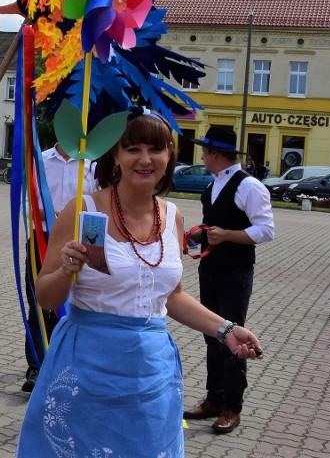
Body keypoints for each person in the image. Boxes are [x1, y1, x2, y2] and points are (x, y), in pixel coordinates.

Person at [16, 109, 264, 456]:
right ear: (115, 155)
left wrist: (225, 330)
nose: (145, 159)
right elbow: (44, 297)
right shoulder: (83, 210)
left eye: (155, 148)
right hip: (86, 367)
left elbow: (172, 297)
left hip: (151, 372)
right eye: (133, 149)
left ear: (168, 156)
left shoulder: (173, 215)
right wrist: (64, 271)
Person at [183, 126, 274, 434]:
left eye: (204, 151)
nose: (201, 156)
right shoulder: (215, 184)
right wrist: (199, 234)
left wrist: (228, 236)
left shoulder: (248, 186)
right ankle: (214, 398)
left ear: (215, 153)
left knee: (233, 338)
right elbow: (213, 223)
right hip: (209, 269)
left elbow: (266, 230)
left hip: (235, 272)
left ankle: (232, 407)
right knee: (213, 335)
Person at [21, 139, 98, 393]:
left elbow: (98, 206)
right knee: (39, 302)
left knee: (75, 304)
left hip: (80, 243)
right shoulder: (40, 160)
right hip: (42, 239)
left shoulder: (92, 164)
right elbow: (26, 200)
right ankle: (36, 364)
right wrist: (46, 213)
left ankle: (63, 362)